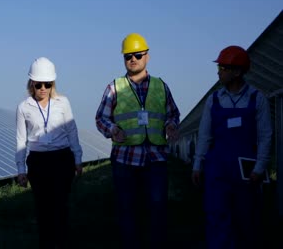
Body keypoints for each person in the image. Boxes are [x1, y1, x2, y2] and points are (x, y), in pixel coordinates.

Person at [95, 33, 180, 249]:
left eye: (138, 55)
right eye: (128, 56)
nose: (133, 59)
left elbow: (173, 113)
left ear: (147, 57)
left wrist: (171, 125)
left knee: (157, 208)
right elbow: (101, 118)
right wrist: (112, 129)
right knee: (127, 209)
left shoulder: (161, 86)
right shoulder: (114, 87)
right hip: (125, 160)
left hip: (156, 158)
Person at [191, 45, 272, 249]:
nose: (219, 72)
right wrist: (198, 165)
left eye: (223, 68)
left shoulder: (257, 99)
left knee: (247, 220)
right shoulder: (214, 99)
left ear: (237, 71)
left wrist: (260, 168)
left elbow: (265, 136)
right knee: (217, 218)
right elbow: (204, 135)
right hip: (217, 171)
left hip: (247, 174)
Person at [15, 57, 83, 249]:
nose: (43, 88)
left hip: (62, 158)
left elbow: (72, 131)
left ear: (53, 84)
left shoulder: (63, 102)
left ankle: (60, 242)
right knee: (42, 208)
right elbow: (21, 139)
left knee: (60, 206)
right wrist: (21, 169)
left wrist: (78, 159)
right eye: (38, 84)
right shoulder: (23, 107)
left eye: (47, 84)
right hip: (38, 162)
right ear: (31, 83)